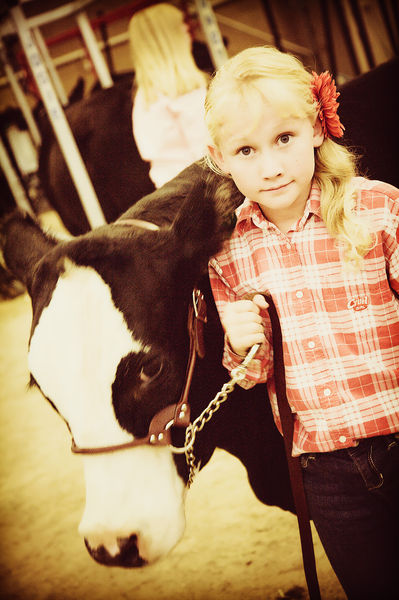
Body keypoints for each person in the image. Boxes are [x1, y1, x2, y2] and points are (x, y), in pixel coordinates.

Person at [205, 46, 399, 600]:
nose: (270, 166)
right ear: (221, 158)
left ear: (316, 127)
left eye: (284, 139)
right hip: (325, 469)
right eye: (247, 149)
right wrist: (242, 345)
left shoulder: (378, 210)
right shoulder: (227, 257)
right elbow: (253, 375)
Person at [128, 2, 209, 189]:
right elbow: (207, 151)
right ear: (168, 37)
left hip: (168, 191)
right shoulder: (184, 88)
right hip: (201, 190)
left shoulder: (144, 96)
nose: (186, 28)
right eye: (180, 24)